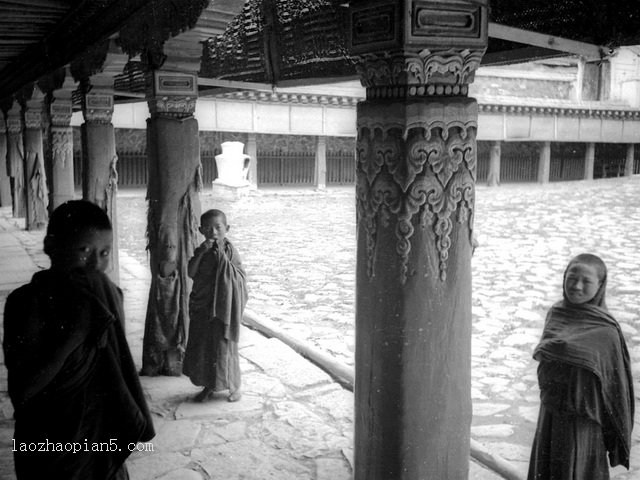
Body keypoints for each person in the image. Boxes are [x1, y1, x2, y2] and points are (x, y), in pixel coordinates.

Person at [3, 200, 155, 480]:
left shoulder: (110, 297)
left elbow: (113, 370)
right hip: (49, 445)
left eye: (105, 253)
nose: (95, 263)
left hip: (100, 439)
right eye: (84, 251)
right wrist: (75, 334)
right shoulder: (27, 302)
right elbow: (22, 392)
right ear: (51, 245)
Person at [527, 253, 634, 480]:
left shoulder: (606, 331)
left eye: (586, 281)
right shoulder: (557, 313)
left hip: (584, 420)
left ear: (600, 286)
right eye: (571, 278)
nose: (576, 286)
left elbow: (615, 386)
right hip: (551, 412)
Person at [183, 208, 248, 402]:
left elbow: (239, 276)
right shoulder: (201, 250)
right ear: (201, 230)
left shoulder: (230, 250)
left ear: (226, 228)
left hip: (223, 307)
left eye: (218, 227)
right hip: (203, 307)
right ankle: (208, 386)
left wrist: (223, 259)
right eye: (208, 228)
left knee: (225, 346)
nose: (213, 232)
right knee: (205, 347)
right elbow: (191, 272)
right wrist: (202, 253)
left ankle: (234, 387)